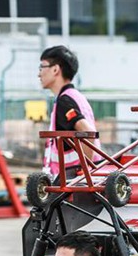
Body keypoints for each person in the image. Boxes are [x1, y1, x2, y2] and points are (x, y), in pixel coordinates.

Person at [38, 45, 100, 178]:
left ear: (55, 69)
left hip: (72, 184)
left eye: (42, 67)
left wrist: (84, 173)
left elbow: (88, 134)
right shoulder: (75, 96)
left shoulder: (65, 101)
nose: (39, 74)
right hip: (76, 182)